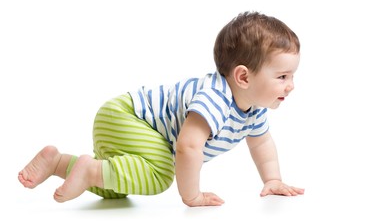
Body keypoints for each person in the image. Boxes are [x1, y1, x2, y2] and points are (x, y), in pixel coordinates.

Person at [18, 11, 304, 207]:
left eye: (291, 76)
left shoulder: (253, 109)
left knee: (117, 185)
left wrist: (273, 180)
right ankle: (88, 169)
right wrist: (191, 196)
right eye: (282, 77)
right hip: (125, 116)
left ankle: (57, 163)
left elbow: (261, 143)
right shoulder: (216, 98)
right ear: (243, 77)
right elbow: (187, 147)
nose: (290, 86)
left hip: (121, 121)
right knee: (159, 174)